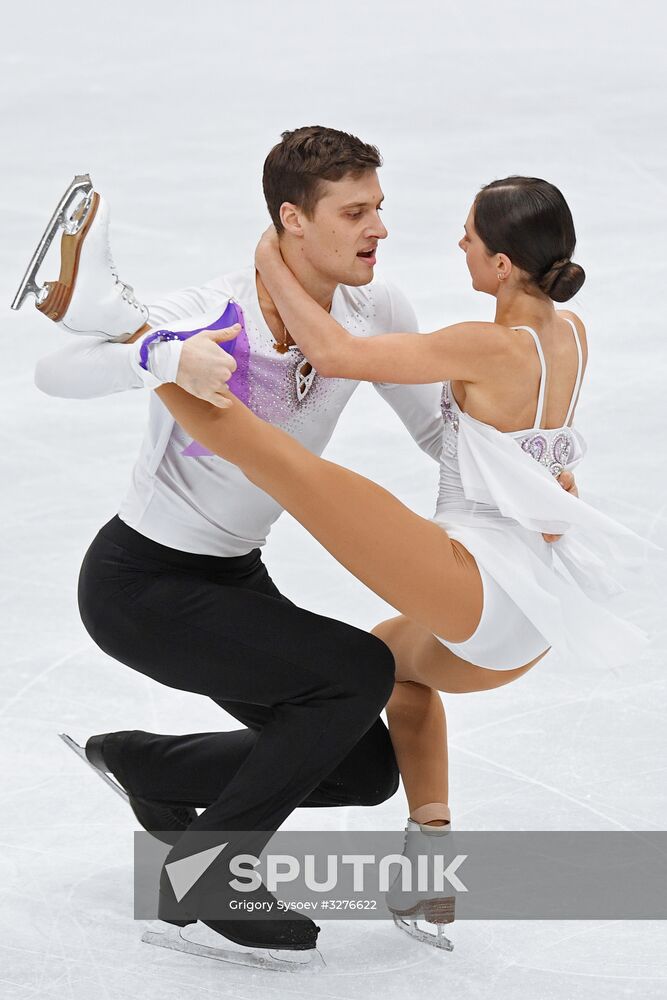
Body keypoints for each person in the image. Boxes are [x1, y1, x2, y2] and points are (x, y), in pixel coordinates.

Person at [23, 128, 579, 965]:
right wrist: (160, 356)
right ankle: (205, 879)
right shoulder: (214, 312)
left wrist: (535, 476)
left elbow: (441, 430)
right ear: (293, 218)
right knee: (356, 672)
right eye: (354, 212)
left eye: (378, 207)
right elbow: (53, 373)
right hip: (142, 585)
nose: (379, 228)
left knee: (362, 770)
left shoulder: (372, 307)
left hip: (235, 579)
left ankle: (145, 765)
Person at [147, 174, 651, 893]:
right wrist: (552, 486)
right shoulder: (571, 335)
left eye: (470, 237)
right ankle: (428, 869)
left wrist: (270, 260)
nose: (460, 244)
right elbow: (533, 446)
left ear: (501, 263)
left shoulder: (486, 344)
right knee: (383, 668)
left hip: (478, 581)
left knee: (284, 465)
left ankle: (156, 361)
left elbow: (333, 354)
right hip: (533, 618)